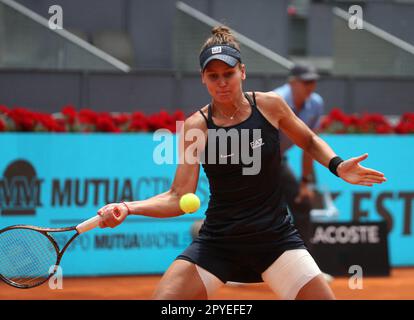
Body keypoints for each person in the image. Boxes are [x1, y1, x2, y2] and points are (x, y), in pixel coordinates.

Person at [96, 26, 386, 300]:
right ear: (203, 78)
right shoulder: (197, 127)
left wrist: (337, 165)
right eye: (213, 76)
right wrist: (129, 207)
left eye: (229, 74)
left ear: (242, 72)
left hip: (276, 240)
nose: (222, 83)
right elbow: (177, 197)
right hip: (219, 243)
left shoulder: (271, 106)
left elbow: (308, 140)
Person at [272, 64, 323, 260]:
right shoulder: (277, 100)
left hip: (278, 161)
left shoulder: (316, 104)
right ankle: (234, 266)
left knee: (302, 203)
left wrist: (305, 181)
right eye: (306, 82)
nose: (311, 86)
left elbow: (310, 145)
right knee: (251, 212)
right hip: (252, 162)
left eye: (314, 81)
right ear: (292, 82)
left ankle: (305, 265)